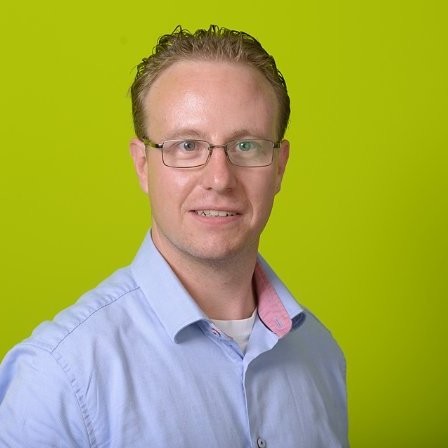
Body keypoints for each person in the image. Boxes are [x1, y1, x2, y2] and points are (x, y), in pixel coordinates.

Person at [0, 25, 348, 447]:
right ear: (142, 165)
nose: (219, 179)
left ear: (279, 166)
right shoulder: (58, 378)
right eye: (186, 146)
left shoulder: (320, 355)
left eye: (246, 146)